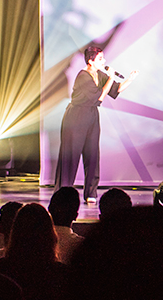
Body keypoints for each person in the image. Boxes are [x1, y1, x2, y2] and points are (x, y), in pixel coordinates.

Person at [55, 45, 137, 205]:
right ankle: (63, 193)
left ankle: (91, 192)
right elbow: (99, 97)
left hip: (91, 115)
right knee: (71, 156)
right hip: (76, 117)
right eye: (100, 58)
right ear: (91, 61)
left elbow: (115, 90)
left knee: (92, 154)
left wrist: (129, 79)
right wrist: (111, 77)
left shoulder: (100, 74)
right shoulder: (83, 76)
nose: (104, 61)